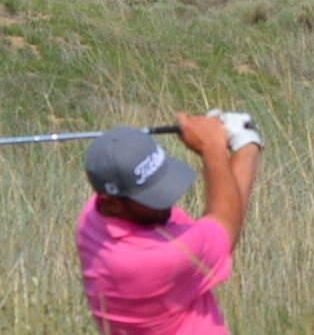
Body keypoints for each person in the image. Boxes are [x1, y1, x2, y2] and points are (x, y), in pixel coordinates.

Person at [75, 111, 263, 334]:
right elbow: (226, 220)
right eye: (149, 197)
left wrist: (214, 141)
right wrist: (238, 145)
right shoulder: (154, 258)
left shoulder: (92, 217)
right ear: (112, 202)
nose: (166, 204)